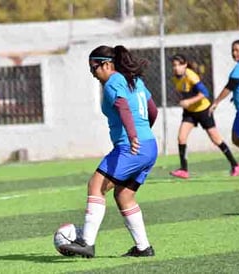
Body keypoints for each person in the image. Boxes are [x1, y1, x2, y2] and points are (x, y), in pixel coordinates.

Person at [61, 45, 158, 258]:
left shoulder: (114, 81)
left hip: (131, 146)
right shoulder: (135, 81)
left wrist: (133, 136)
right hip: (149, 146)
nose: (92, 73)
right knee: (124, 195)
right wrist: (143, 133)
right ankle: (143, 247)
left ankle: (86, 242)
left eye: (93, 68)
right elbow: (152, 110)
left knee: (96, 185)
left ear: (106, 64)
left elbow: (123, 105)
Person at [169, 54, 239, 179]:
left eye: (179, 65)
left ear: (185, 64)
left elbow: (205, 93)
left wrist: (188, 102)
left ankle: (235, 165)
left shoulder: (191, 75)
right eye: (174, 65)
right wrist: (183, 100)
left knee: (216, 139)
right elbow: (184, 92)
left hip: (203, 110)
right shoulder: (175, 79)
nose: (176, 68)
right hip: (190, 113)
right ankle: (184, 169)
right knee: (181, 138)